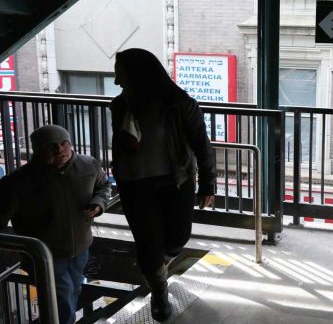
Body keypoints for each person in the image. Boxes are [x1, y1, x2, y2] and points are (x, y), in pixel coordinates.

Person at [110, 48, 215, 321]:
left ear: (138, 72)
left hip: (175, 180)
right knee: (147, 242)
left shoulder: (179, 104)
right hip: (134, 184)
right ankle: (159, 289)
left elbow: (201, 145)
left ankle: (158, 268)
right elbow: (119, 145)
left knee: (179, 235)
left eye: (119, 72)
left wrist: (207, 183)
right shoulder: (120, 105)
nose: (116, 79)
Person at [0, 124, 110, 324]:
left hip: (80, 248)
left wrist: (98, 204)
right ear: (38, 150)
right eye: (51, 146)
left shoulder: (88, 165)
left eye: (64, 143)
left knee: (73, 291)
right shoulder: (19, 181)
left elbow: (103, 186)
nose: (60, 150)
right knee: (61, 300)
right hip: (44, 255)